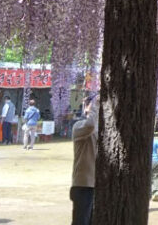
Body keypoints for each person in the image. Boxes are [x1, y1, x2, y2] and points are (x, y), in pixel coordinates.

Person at [70, 95, 97, 225]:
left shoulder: (97, 128)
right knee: (81, 221)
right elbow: (90, 125)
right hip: (82, 184)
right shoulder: (78, 126)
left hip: (94, 184)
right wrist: (94, 107)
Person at [150, 135, 158, 201]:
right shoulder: (155, 141)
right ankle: (156, 191)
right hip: (155, 161)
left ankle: (148, 193)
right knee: (156, 176)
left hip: (146, 161)